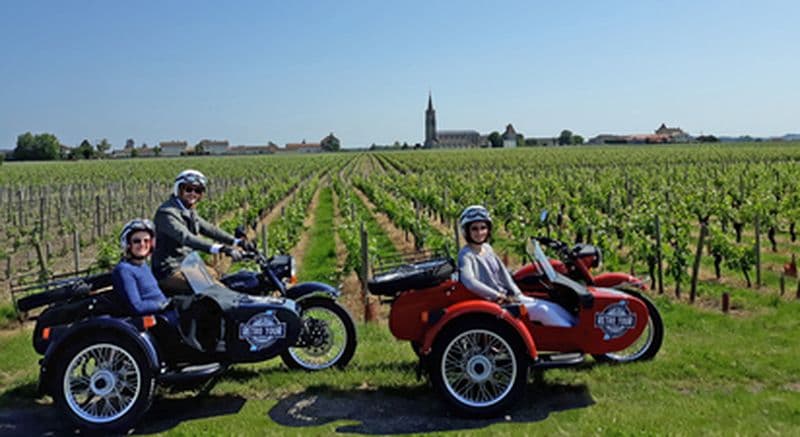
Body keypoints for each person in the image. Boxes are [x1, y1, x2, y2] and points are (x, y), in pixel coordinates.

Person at [457, 205, 576, 327]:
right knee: (543, 311)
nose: (480, 232)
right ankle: (571, 336)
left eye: (483, 228)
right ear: (467, 231)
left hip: (506, 297)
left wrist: (517, 294)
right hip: (493, 302)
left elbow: (503, 274)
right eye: (474, 229)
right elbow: (470, 282)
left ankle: (576, 327)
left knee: (551, 305)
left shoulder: (487, 248)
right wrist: (497, 295)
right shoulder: (466, 255)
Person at [152, 169, 254, 295]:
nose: (193, 194)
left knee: (219, 276)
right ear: (178, 189)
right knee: (218, 291)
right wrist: (221, 249)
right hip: (170, 270)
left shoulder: (188, 210)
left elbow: (210, 229)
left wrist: (237, 241)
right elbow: (186, 238)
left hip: (187, 265)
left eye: (198, 190)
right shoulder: (167, 213)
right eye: (188, 189)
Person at [111, 219, 177, 324]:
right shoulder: (124, 270)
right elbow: (137, 306)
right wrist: (164, 304)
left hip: (167, 313)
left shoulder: (143, 265)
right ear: (128, 244)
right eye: (137, 241)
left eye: (146, 240)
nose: (142, 244)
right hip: (159, 320)